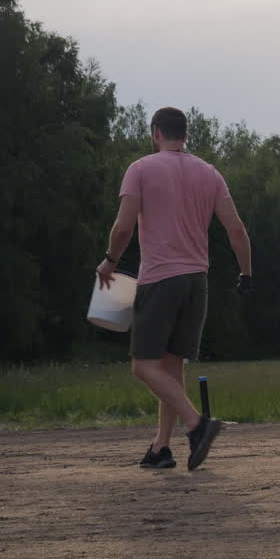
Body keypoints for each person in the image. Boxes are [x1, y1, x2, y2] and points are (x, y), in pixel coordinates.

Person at [95, 106, 253, 471]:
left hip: (160, 279)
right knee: (171, 366)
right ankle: (160, 448)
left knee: (142, 366)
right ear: (186, 134)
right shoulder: (209, 173)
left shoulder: (141, 169)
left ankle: (198, 425)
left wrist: (109, 262)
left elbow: (122, 229)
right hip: (197, 282)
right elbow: (237, 230)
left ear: (155, 133)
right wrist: (246, 273)